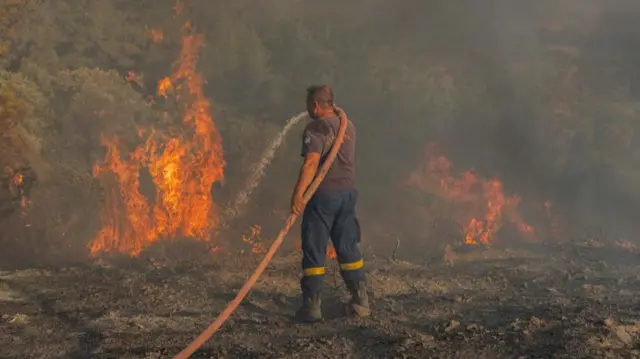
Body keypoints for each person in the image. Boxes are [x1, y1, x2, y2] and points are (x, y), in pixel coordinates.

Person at [290, 85, 369, 323]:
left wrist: (298, 195)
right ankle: (361, 299)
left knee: (314, 249)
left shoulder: (316, 127)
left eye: (308, 105)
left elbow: (311, 163)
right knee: (347, 247)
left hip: (323, 197)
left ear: (315, 105)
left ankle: (312, 308)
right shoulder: (348, 125)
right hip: (347, 195)